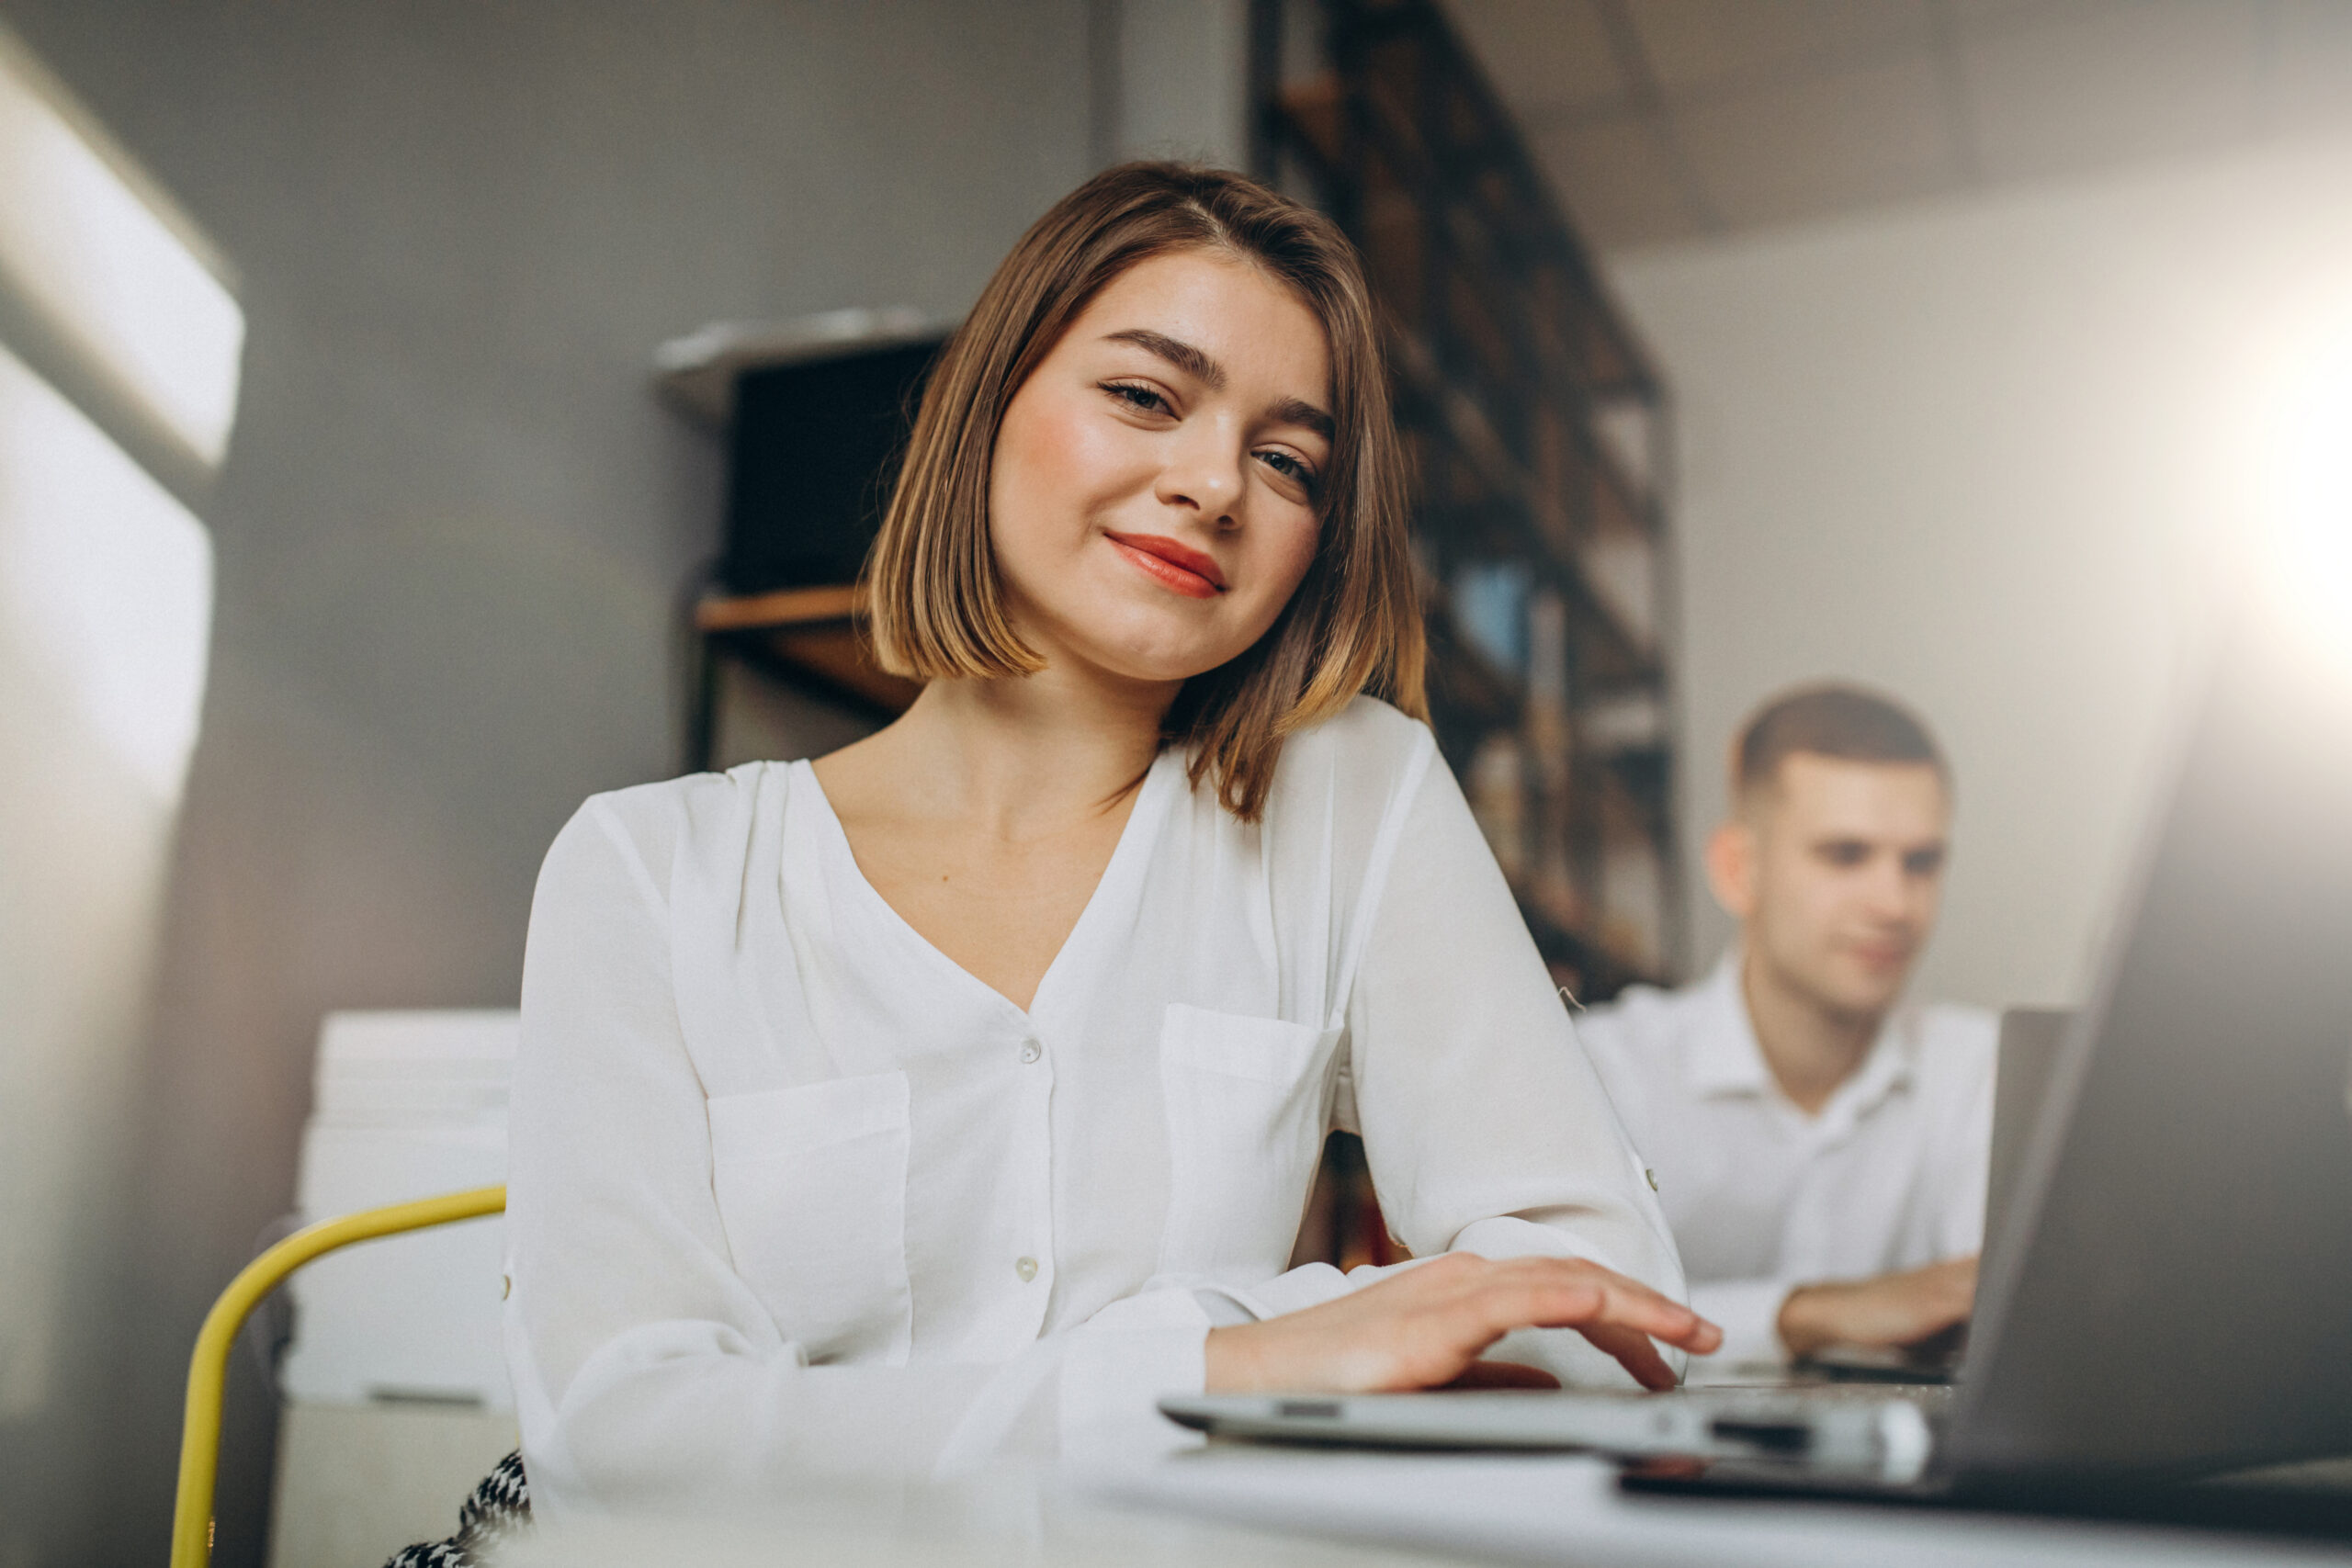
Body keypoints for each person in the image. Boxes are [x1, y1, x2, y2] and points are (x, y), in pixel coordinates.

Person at [503, 163, 1718, 1517]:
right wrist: (1224, 1361)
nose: (1214, 486)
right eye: (1146, 395)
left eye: (1287, 459)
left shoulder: (1347, 793)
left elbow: (1611, 1308)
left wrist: (1255, 1346)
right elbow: (618, 1435)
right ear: (988, 408)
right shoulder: (650, 869)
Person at [1576, 685, 1993, 1373]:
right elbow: (1562, 1323)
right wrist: (1803, 1314)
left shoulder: (1981, 1069)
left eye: (1920, 862)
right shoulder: (1609, 1068)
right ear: (1739, 869)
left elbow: (2005, 1320)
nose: (1894, 903)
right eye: (1845, 854)